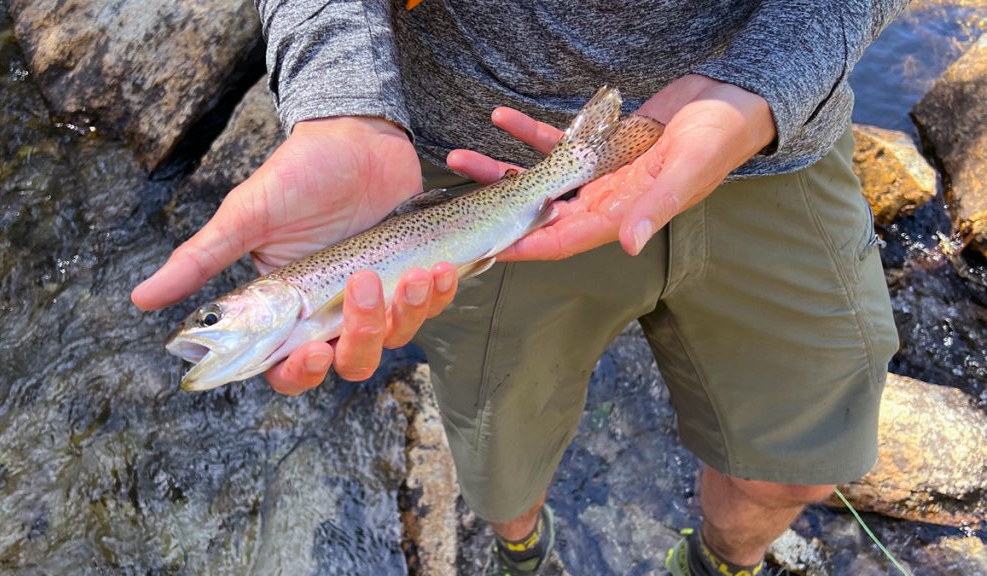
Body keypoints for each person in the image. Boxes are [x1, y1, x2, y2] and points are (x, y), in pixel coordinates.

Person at [132, 2, 907, 574]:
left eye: (214, 315)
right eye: (215, 317)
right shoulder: (306, 295)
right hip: (469, 158)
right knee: (503, 462)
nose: (210, 326)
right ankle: (523, 553)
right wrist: (343, 109)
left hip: (779, 136)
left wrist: (756, 91)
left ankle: (717, 565)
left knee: (800, 464)